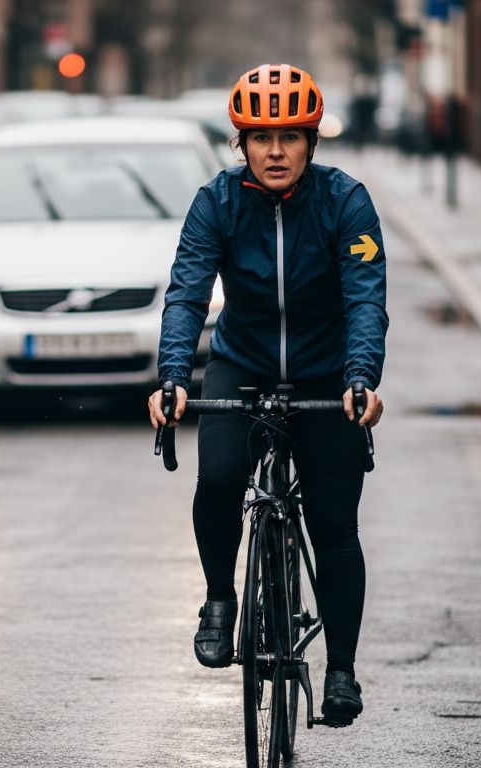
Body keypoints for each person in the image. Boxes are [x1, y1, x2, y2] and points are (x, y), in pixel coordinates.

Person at [148, 63, 387, 726]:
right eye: (261, 137)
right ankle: (221, 599)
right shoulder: (217, 202)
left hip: (327, 374)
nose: (275, 150)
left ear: (312, 141)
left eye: (290, 136)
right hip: (242, 364)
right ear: (242, 144)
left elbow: (365, 296)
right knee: (220, 477)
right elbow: (188, 292)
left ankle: (341, 670)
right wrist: (171, 377)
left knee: (335, 525)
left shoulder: (345, 202)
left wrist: (362, 379)